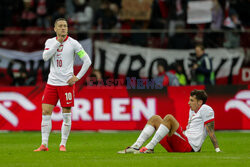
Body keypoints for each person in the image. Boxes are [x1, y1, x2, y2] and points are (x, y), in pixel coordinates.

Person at [34, 18, 92, 152]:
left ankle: (63, 145)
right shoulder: (50, 42)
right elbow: (45, 57)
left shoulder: (74, 43)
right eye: (60, 26)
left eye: (65, 26)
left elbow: (87, 61)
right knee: (45, 112)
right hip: (52, 83)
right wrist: (57, 43)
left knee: (66, 115)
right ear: (55, 29)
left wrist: (77, 77)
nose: (63, 28)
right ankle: (44, 145)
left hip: (66, 84)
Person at [118, 89, 221, 153]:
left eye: (192, 100)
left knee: (169, 118)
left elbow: (210, 131)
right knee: (155, 118)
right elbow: (194, 130)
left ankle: (149, 147)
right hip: (182, 144)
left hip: (188, 146)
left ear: (200, 102)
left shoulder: (206, 109)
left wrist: (217, 149)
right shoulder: (192, 110)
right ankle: (135, 147)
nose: (188, 103)